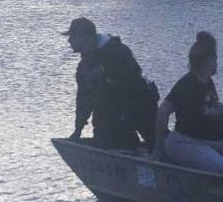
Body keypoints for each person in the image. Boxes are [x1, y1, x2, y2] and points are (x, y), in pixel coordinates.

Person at [64, 17, 159, 149]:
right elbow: (83, 99)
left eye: (73, 36)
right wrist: (78, 129)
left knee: (157, 140)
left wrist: (105, 76)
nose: (69, 40)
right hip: (111, 112)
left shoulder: (119, 52)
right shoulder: (83, 68)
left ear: (86, 37)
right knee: (105, 139)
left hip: (140, 104)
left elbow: (131, 83)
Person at [153, 32, 223, 173]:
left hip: (215, 145)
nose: (217, 62)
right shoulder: (187, 84)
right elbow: (163, 112)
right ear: (207, 61)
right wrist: (159, 148)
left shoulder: (208, 82)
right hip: (186, 143)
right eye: (215, 58)